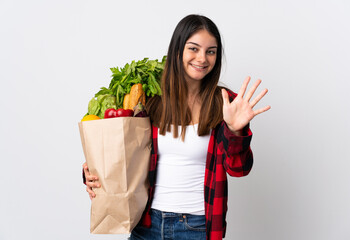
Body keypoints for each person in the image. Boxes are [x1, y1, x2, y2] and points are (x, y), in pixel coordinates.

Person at [83, 14, 270, 240]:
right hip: (146, 224)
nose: (202, 58)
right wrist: (92, 173)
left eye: (211, 51)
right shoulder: (151, 98)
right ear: (178, 50)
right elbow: (123, 153)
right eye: (194, 48)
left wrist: (235, 130)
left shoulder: (226, 103)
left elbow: (239, 169)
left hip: (196, 227)